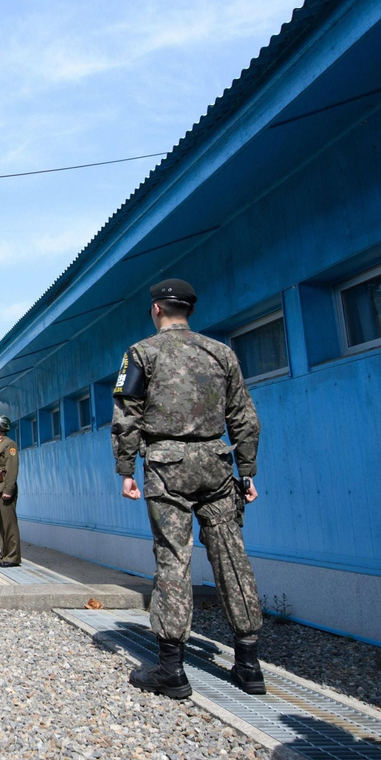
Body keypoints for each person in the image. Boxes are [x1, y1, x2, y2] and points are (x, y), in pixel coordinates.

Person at [114, 278, 263, 700]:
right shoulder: (222, 353)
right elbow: (245, 417)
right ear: (189, 311)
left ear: (156, 309)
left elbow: (127, 415)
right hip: (217, 463)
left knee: (173, 557)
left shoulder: (141, 353)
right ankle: (249, 665)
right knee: (231, 554)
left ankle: (171, 669)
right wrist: (247, 471)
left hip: (166, 466)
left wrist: (125, 467)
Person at [0, 417, 21, 567]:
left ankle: (12, 556)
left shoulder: (9, 444)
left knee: (9, 524)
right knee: (0, 525)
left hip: (4, 488)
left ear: (2, 426)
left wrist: (8, 489)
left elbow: (12, 468)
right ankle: (4, 554)